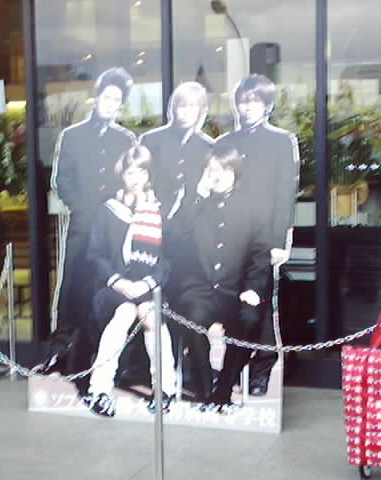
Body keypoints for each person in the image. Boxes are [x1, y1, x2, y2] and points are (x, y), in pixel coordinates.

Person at [39, 68, 136, 398]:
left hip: (114, 230)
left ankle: (100, 357)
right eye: (106, 97)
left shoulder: (126, 140)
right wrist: (82, 208)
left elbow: (130, 180)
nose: (110, 103)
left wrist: (115, 211)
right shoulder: (72, 135)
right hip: (82, 226)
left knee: (104, 290)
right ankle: (60, 351)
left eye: (116, 99)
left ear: (121, 105)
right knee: (72, 287)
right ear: (97, 98)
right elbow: (61, 180)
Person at [167, 144, 270, 412]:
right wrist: (198, 195)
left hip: (235, 291)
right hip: (198, 290)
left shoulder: (252, 207)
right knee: (191, 319)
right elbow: (174, 239)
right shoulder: (194, 203)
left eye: (224, 169)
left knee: (249, 320)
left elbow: (260, 255)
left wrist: (253, 289)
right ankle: (204, 391)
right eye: (212, 169)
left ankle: (223, 389)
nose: (217, 175)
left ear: (235, 171)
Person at [215, 74, 299, 396]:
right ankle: (231, 367)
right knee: (234, 303)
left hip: (263, 237)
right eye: (243, 100)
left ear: (267, 105)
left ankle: (261, 369)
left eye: (254, 101)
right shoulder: (226, 142)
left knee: (261, 307)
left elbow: (285, 195)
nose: (247, 107)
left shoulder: (282, 141)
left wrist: (279, 242)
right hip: (230, 235)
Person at [85, 145, 176, 417]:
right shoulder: (107, 210)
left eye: (141, 172)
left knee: (150, 315)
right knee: (125, 312)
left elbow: (167, 260)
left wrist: (146, 284)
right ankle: (99, 390)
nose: (136, 178)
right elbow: (95, 254)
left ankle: (164, 390)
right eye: (130, 172)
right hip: (112, 288)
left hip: (148, 286)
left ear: (149, 175)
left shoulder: (159, 210)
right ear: (121, 174)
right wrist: (118, 282)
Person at [140, 81, 214, 218]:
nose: (186, 112)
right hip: (154, 217)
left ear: (201, 110)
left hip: (193, 219)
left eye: (192, 106)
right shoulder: (150, 140)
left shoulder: (208, 147)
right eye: (182, 106)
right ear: (173, 108)